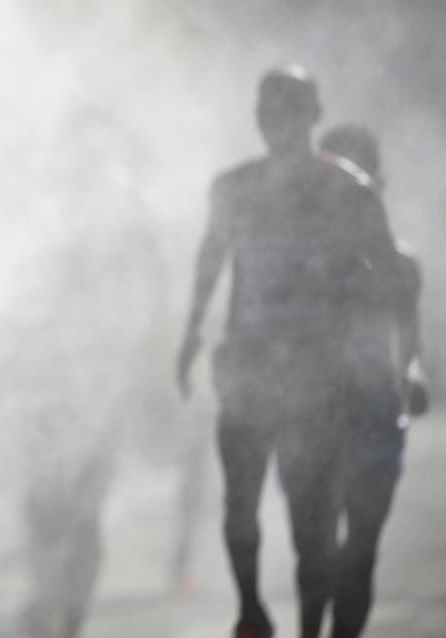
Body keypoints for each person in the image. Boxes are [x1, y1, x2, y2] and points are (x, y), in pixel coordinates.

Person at [177, 67, 399, 638]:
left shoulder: (348, 190)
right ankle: (251, 608)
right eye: (269, 110)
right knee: (240, 505)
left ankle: (308, 626)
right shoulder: (234, 187)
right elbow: (209, 261)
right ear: (258, 117)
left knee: (311, 524)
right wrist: (192, 333)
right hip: (248, 367)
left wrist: (364, 345)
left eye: (290, 109)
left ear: (312, 115)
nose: (278, 122)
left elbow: (383, 276)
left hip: (315, 373)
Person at [319, 124, 428, 638]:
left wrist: (412, 374)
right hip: (316, 412)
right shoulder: (306, 265)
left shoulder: (402, 265)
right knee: (316, 543)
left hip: (376, 414)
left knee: (360, 547)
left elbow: (409, 344)